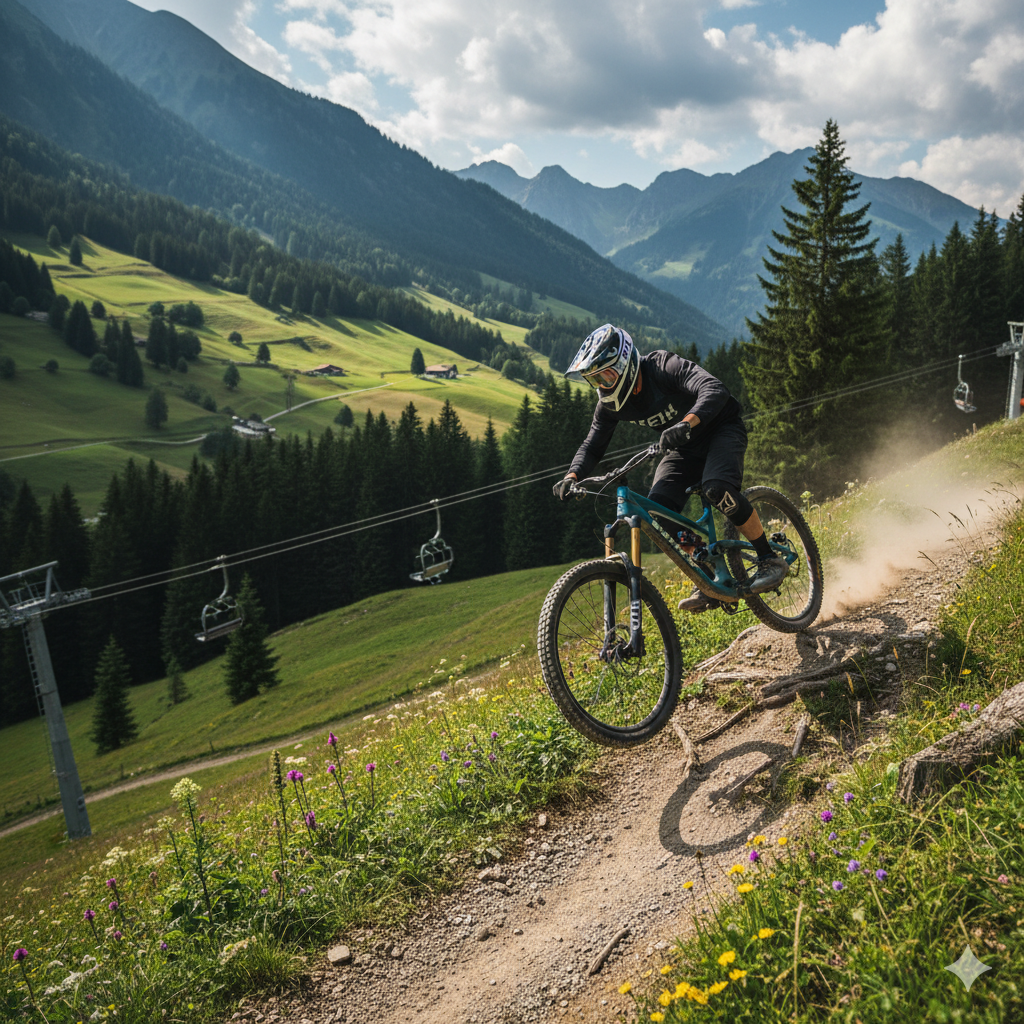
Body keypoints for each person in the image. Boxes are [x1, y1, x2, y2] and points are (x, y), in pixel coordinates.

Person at [551, 323, 787, 612]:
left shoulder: (663, 367)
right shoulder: (611, 405)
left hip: (721, 429)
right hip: (682, 448)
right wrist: (572, 476)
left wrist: (687, 422)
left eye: (606, 375)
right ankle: (711, 575)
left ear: (625, 363)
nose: (603, 384)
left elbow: (715, 389)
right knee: (657, 511)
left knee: (717, 488)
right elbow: (592, 445)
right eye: (595, 379)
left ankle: (768, 558)